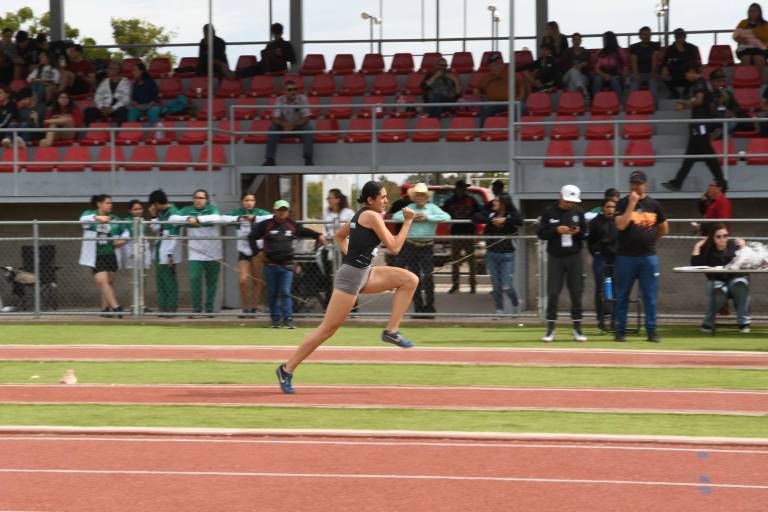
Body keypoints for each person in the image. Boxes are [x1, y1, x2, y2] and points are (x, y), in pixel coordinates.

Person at [275, 181, 420, 394]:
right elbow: (395, 247)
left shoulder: (360, 214)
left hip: (365, 272)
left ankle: (391, 331)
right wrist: (408, 222)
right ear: (370, 200)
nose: (386, 200)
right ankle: (286, 369)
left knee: (410, 280)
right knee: (327, 330)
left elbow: (339, 237)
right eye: (382, 197)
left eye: (386, 196)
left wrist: (351, 255)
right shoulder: (371, 216)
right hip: (351, 278)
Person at [249, 199, 326, 329]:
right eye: (279, 210)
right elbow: (251, 237)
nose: (282, 212)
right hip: (270, 266)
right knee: (272, 293)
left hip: (287, 266)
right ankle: (275, 321)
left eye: (284, 210)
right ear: (274, 211)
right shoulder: (266, 225)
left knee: (285, 292)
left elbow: (305, 231)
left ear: (288, 211)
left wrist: (318, 235)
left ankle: (288, 320)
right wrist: (257, 252)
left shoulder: (292, 225)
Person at [613, 170, 669, 343]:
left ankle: (651, 331)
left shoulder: (654, 205)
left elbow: (664, 228)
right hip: (625, 257)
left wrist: (651, 239)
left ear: (645, 184)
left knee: (650, 296)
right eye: (632, 183)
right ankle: (620, 331)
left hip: (648, 257)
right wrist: (631, 204)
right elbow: (621, 226)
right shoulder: (622, 203)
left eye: (638, 183)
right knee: (622, 295)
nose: (635, 186)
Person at [537, 185, 588, 342]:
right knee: (553, 292)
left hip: (574, 256)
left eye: (572, 201)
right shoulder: (549, 212)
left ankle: (577, 329)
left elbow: (586, 233)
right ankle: (550, 329)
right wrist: (556, 231)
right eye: (567, 200)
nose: (569, 204)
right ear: (560, 196)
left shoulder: (578, 212)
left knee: (576, 291)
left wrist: (577, 232)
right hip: (556, 257)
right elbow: (541, 234)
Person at [662, 63, 725, 191]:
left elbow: (699, 100)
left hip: (700, 124)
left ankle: (721, 181)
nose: (685, 76)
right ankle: (677, 182)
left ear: (692, 71)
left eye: (686, 73)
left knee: (708, 154)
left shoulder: (699, 83)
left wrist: (684, 106)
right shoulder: (703, 83)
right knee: (690, 156)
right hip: (698, 124)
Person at [392, 183, 451, 319]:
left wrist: (428, 217)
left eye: (423, 195)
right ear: (414, 197)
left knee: (428, 277)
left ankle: (430, 307)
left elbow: (447, 217)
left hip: (427, 247)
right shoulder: (410, 208)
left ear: (426, 197)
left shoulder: (432, 208)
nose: (420, 197)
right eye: (418, 195)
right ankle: (418, 308)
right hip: (411, 246)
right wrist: (411, 217)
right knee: (413, 278)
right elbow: (395, 216)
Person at [170, 190, 224, 318]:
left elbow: (216, 218)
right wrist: (188, 218)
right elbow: (172, 218)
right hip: (195, 254)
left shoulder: (212, 209)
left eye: (201, 198)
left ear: (206, 200)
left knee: (211, 282)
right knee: (194, 279)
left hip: (213, 253)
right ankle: (196, 310)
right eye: (196, 198)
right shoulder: (187, 210)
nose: (198, 200)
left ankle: (209, 310)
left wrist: (198, 219)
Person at [690, 223, 751, 333]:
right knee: (718, 291)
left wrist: (744, 247)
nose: (722, 239)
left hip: (734, 279)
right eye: (718, 236)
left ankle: (744, 324)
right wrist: (697, 247)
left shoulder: (734, 245)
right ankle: (707, 324)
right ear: (712, 237)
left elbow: (748, 260)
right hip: (716, 280)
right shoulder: (707, 249)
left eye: (725, 236)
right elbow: (695, 266)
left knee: (741, 284)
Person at [473, 193, 523, 316]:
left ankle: (516, 302)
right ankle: (499, 310)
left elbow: (520, 220)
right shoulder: (490, 213)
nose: (493, 203)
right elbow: (475, 217)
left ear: (504, 203)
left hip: (507, 255)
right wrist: (491, 221)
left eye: (497, 201)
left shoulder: (511, 214)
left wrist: (505, 220)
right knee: (496, 285)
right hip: (491, 254)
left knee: (506, 285)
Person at [224, 193, 271, 317]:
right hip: (243, 250)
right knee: (243, 280)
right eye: (246, 200)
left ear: (255, 201)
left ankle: (254, 308)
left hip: (256, 250)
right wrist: (237, 219)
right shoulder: (237, 212)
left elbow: (272, 217)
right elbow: (222, 218)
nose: (249, 202)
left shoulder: (260, 212)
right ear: (242, 202)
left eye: (252, 200)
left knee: (257, 279)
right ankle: (245, 307)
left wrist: (255, 218)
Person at [78, 194, 126, 317]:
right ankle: (116, 307)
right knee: (102, 281)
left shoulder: (114, 218)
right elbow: (82, 220)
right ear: (99, 204)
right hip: (96, 255)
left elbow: (125, 230)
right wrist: (97, 218)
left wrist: (123, 240)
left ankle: (105, 309)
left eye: (111, 203)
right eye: (107, 203)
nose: (110, 205)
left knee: (109, 282)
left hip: (110, 253)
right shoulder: (89, 214)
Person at [262, 80, 314, 166]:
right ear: (284, 92)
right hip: (283, 127)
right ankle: (270, 159)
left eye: (295, 89)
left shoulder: (302, 98)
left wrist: (293, 124)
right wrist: (284, 124)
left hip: (298, 126)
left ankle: (308, 159)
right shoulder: (279, 100)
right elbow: (275, 118)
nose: (293, 91)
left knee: (308, 128)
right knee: (272, 128)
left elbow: (307, 117)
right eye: (290, 90)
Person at [148, 189, 182, 316]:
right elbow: (156, 229)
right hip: (159, 249)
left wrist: (170, 254)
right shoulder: (161, 213)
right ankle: (163, 308)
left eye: (153, 205)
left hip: (168, 252)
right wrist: (153, 216)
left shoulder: (173, 213)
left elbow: (174, 236)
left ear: (157, 203)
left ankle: (171, 308)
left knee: (169, 281)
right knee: (160, 280)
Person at [442, 179, 480, 294]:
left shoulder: (471, 200)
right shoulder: (450, 201)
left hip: (468, 233)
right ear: (457, 189)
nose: (462, 190)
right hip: (456, 233)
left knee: (471, 261)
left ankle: (473, 285)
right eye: (460, 188)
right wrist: (449, 220)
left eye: (464, 188)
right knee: (455, 261)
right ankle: (455, 284)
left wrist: (474, 220)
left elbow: (479, 212)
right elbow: (443, 212)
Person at [587, 198, 618, 333]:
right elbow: (590, 241)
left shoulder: (618, 221)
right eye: (607, 207)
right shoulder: (595, 222)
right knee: (600, 289)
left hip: (616, 258)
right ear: (603, 208)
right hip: (600, 258)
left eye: (612, 207)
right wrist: (596, 251)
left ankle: (614, 320)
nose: (610, 209)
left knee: (616, 289)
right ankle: (601, 320)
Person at [476, 54, 525, 125]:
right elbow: (477, 89)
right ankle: (483, 132)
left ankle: (515, 132)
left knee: (521, 107)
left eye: (500, 62)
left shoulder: (513, 74)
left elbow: (522, 90)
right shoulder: (486, 77)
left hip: (511, 102)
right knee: (485, 108)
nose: (498, 65)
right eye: (495, 63)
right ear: (490, 66)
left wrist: (518, 99)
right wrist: (483, 98)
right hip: (494, 103)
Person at [84, 62, 131, 126]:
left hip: (117, 108)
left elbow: (126, 99)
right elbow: (97, 96)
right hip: (104, 108)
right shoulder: (104, 82)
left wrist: (113, 108)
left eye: (111, 68)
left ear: (118, 70)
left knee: (122, 111)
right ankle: (91, 133)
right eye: (108, 68)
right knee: (88, 111)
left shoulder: (126, 82)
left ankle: (122, 134)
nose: (108, 70)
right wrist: (101, 107)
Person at [660, 28, 700, 99]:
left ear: (685, 36)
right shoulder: (670, 48)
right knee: (662, 71)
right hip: (674, 72)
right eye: (677, 36)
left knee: (694, 69)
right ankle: (674, 93)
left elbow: (693, 60)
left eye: (681, 36)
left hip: (687, 72)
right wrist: (664, 68)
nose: (679, 38)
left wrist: (682, 50)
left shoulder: (691, 47)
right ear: (675, 37)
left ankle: (686, 92)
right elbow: (664, 61)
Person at [118, 200, 153, 273]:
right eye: (135, 209)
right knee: (133, 278)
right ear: (130, 211)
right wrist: (122, 241)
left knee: (144, 276)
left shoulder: (143, 221)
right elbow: (125, 234)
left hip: (144, 251)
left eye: (140, 209)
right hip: (131, 251)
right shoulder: (127, 221)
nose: (138, 211)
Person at [629, 26, 661, 104]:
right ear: (640, 36)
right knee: (634, 87)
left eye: (648, 34)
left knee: (653, 90)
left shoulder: (655, 45)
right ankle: (633, 107)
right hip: (638, 73)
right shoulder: (634, 47)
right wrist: (636, 74)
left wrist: (653, 73)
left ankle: (654, 108)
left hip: (651, 72)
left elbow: (654, 60)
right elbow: (634, 61)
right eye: (644, 34)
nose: (646, 36)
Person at [734, 3, 768, 68]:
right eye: (750, 11)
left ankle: (758, 77)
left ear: (759, 12)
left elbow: (766, 37)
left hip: (762, 48)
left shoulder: (765, 24)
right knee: (746, 58)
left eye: (754, 11)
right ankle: (747, 77)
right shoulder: (743, 22)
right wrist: (741, 40)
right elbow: (736, 36)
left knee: (758, 58)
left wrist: (755, 32)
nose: (752, 13)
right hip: (745, 48)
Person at [592, 31, 625, 98]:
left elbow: (624, 65)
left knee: (614, 80)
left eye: (604, 39)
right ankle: (595, 101)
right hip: (602, 73)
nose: (603, 41)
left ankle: (619, 102)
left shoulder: (619, 51)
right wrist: (604, 75)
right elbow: (596, 67)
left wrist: (623, 75)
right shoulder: (601, 52)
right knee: (597, 79)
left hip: (615, 74)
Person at [562, 32, 591, 99]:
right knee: (573, 70)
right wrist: (573, 67)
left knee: (572, 83)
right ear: (572, 41)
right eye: (575, 39)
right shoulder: (567, 51)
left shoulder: (585, 52)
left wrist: (583, 65)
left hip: (581, 75)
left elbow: (590, 65)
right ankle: (585, 93)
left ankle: (574, 103)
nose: (576, 41)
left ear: (581, 41)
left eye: (578, 39)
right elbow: (563, 66)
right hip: (567, 75)